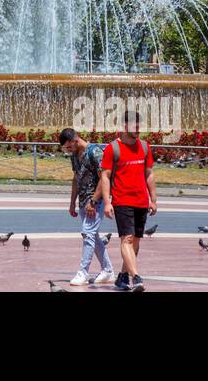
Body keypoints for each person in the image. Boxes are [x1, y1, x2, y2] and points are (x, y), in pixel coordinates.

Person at [97, 111, 157, 292]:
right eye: (134, 127)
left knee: (136, 240)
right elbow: (105, 176)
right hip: (122, 200)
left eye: (139, 126)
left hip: (141, 200)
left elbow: (149, 173)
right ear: (124, 127)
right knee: (127, 239)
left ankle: (122, 277)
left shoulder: (145, 147)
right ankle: (136, 277)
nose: (138, 130)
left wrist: (153, 199)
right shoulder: (112, 148)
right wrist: (107, 202)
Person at [59, 127, 115, 286]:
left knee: (88, 233)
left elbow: (104, 179)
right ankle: (108, 270)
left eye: (69, 146)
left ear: (75, 140)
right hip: (83, 201)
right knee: (93, 236)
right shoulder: (74, 155)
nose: (68, 150)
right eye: (66, 148)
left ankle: (83, 272)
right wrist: (72, 203)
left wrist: (94, 201)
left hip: (95, 200)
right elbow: (76, 179)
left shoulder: (95, 152)